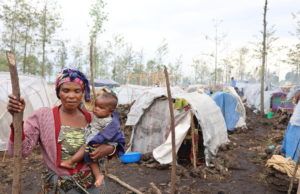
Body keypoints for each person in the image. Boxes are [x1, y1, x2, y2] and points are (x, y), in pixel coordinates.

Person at [7, 68, 121, 193]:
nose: (71, 96)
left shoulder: (94, 119)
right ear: (58, 92)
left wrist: (109, 149)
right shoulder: (43, 117)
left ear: (83, 93)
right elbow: (20, 151)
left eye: (77, 91)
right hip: (57, 188)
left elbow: (116, 142)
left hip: (90, 187)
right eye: (65, 90)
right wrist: (17, 120)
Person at [60, 91, 125, 187]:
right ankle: (98, 175)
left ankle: (71, 162)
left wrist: (108, 145)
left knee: (87, 151)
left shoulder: (109, 122)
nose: (96, 109)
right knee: (91, 159)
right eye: (96, 106)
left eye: (101, 108)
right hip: (94, 141)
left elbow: (113, 135)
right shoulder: (98, 115)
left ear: (111, 111)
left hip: (98, 142)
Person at [281, 89, 300, 161]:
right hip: (295, 125)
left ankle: (291, 158)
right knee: (293, 143)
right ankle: (291, 159)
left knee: (292, 143)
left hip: (295, 124)